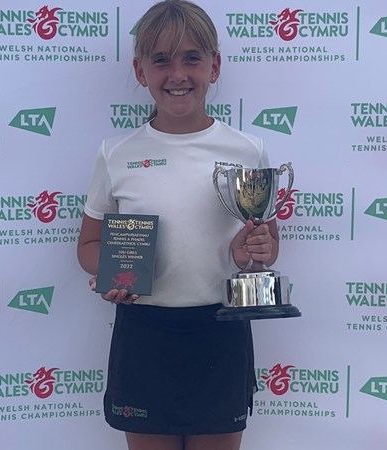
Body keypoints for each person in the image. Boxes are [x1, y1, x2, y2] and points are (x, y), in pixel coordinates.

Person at [77, 1, 280, 449]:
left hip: (221, 329)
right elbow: (89, 243)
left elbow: (265, 246)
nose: (178, 74)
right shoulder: (116, 153)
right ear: (140, 69)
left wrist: (251, 254)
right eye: (161, 59)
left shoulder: (248, 150)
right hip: (144, 334)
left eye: (192, 57)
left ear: (215, 65)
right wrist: (113, 274)